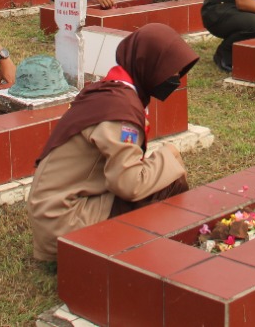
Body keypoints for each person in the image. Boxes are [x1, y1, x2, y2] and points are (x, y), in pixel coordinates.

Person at [26, 24, 197, 261]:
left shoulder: (112, 91)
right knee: (170, 179)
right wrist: (171, 156)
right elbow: (129, 184)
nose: (175, 80)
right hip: (64, 222)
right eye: (170, 72)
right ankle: (152, 252)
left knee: (165, 166)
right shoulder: (119, 111)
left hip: (54, 210)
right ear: (147, 64)